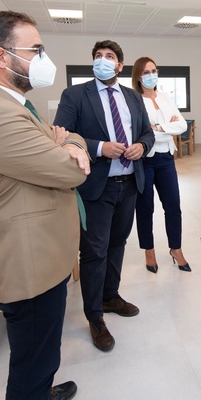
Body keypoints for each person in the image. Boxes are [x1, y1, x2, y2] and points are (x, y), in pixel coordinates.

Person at [0, 11, 90, 400]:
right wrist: (72, 145)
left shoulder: (9, 104)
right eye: (35, 50)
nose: (42, 59)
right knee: (32, 360)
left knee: (42, 352)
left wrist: (66, 140)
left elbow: (61, 140)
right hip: (27, 261)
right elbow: (70, 172)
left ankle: (41, 391)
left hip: (39, 254)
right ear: (2, 57)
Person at [54, 40, 155, 352]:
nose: (103, 61)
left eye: (109, 57)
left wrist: (143, 146)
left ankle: (110, 295)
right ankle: (94, 315)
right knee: (94, 251)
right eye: (98, 56)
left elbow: (148, 133)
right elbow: (61, 134)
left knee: (117, 244)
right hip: (96, 186)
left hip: (129, 184)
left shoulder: (133, 97)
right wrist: (99, 147)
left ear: (120, 66)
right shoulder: (75, 95)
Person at [131, 56, 190, 273]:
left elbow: (181, 125)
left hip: (166, 159)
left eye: (154, 70)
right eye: (146, 72)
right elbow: (139, 132)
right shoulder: (134, 99)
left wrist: (157, 127)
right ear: (138, 76)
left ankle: (176, 248)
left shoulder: (165, 96)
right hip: (144, 160)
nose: (151, 75)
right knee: (145, 208)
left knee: (173, 205)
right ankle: (149, 251)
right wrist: (165, 127)